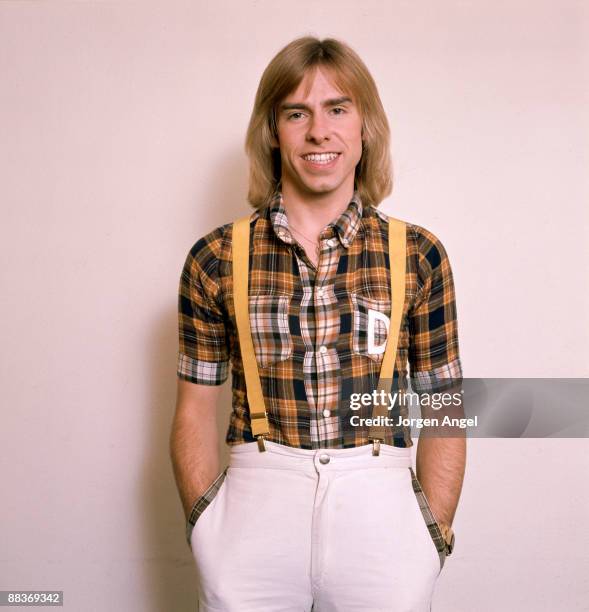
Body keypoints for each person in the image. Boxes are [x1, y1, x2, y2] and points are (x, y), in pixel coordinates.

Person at [170, 36, 466, 612]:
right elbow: (193, 410)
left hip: (383, 512)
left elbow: (445, 407)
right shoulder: (215, 258)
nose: (318, 131)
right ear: (272, 131)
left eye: (338, 108)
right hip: (252, 511)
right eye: (296, 112)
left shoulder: (419, 254)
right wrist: (207, 529)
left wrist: (431, 536)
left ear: (365, 128)